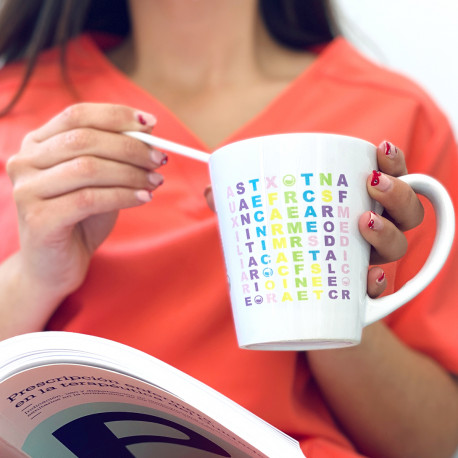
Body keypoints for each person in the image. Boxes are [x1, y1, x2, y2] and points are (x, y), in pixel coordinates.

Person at [0, 1, 457, 456]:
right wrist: (36, 276)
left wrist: (325, 303)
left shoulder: (397, 114)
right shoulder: (15, 113)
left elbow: (436, 442)